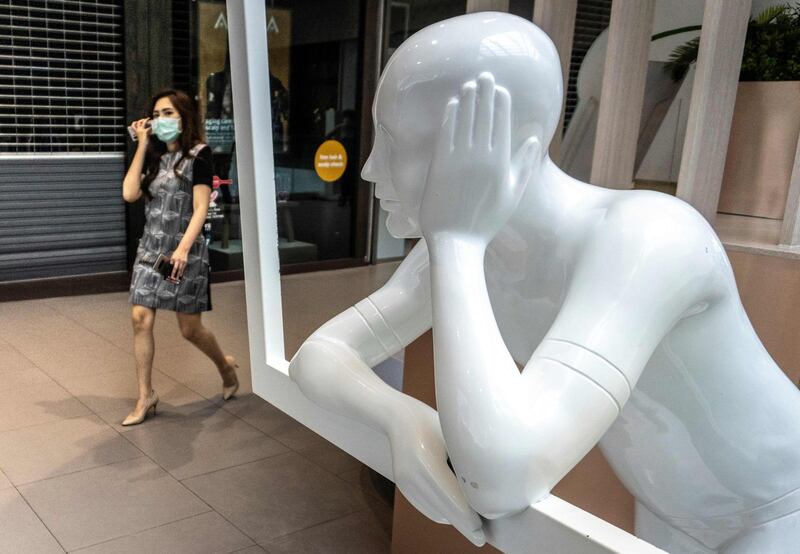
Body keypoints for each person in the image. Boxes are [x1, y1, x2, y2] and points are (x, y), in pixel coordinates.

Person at [288, 13, 800, 554]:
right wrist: (400, 418)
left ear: (510, 150)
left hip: (779, 507)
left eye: (400, 143)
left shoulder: (650, 238)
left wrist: (457, 241)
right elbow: (317, 356)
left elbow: (503, 478)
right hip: (669, 512)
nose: (369, 169)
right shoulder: (468, 250)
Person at [122, 89, 239, 426]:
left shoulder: (200, 154)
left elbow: (201, 207)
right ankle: (146, 395)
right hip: (151, 251)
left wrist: (183, 250)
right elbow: (129, 193)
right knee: (140, 317)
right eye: (156, 115)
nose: (161, 120)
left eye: (168, 113)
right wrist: (142, 144)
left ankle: (225, 367)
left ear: (184, 117)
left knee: (190, 329)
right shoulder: (154, 157)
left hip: (185, 252)